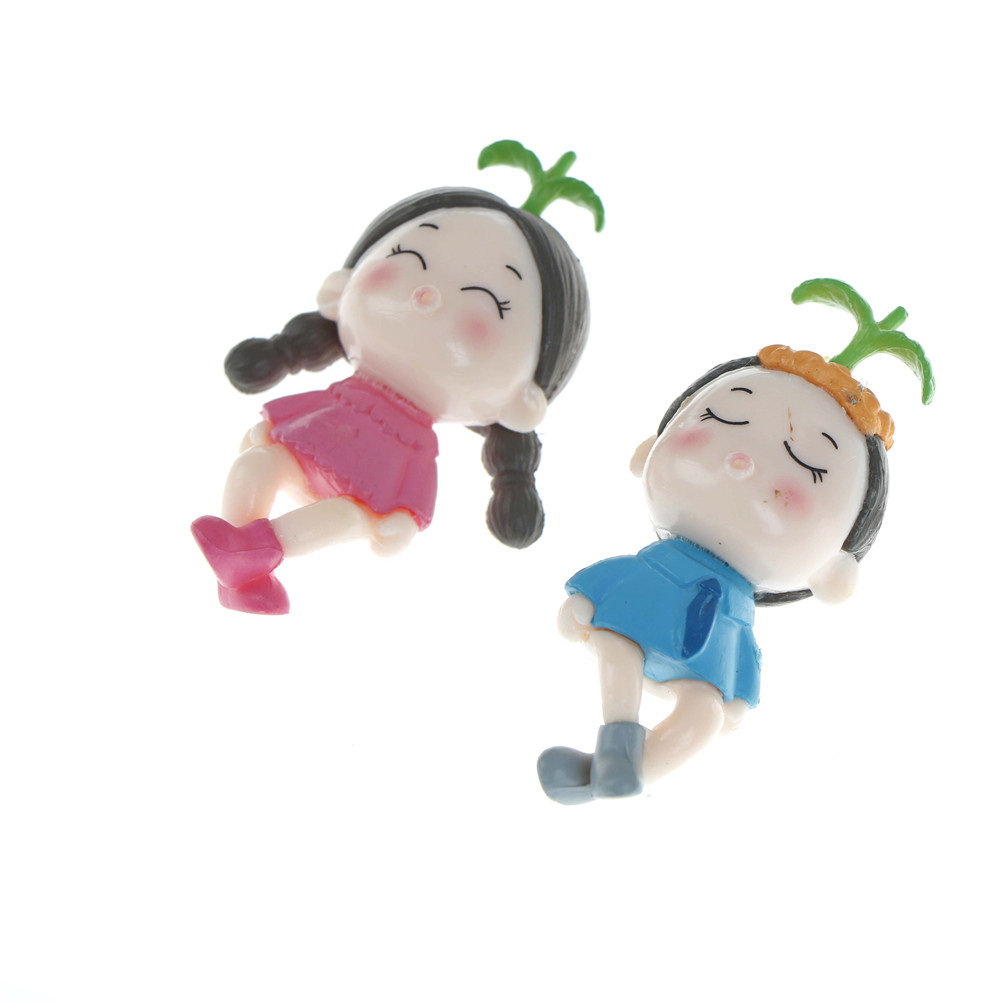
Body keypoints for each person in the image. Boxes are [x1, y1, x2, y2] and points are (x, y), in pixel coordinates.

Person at [537, 279, 934, 805]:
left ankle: (618, 775)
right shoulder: (655, 565)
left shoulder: (744, 612)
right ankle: (617, 747)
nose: (743, 461)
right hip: (643, 607)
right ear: (652, 448)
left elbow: (742, 662)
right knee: (617, 648)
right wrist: (585, 602)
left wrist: (738, 698)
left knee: (702, 716)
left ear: (835, 571)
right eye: (723, 416)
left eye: (808, 464)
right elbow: (614, 580)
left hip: (715, 643)